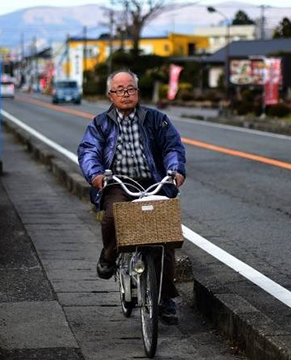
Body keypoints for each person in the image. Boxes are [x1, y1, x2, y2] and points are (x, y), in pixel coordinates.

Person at [77, 70, 186, 325]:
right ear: (110, 95)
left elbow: (173, 147)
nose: (126, 94)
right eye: (120, 90)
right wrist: (96, 175)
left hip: (155, 181)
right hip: (117, 183)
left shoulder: (157, 119)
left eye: (130, 89)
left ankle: (165, 299)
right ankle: (109, 256)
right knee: (115, 216)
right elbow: (89, 151)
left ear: (137, 92)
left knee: (164, 237)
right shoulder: (100, 123)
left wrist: (175, 170)